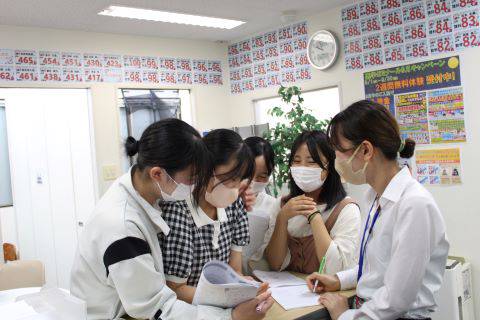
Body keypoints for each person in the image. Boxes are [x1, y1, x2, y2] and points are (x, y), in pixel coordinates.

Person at [70, 119, 273, 320]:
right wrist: (231, 317)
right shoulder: (121, 226)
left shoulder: (143, 189)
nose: (198, 185)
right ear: (158, 174)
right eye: (193, 178)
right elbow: (158, 308)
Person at [306, 100, 449, 320]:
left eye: (339, 152)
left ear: (365, 150)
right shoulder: (375, 196)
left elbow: (396, 299)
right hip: (372, 309)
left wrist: (344, 316)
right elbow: (379, 269)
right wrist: (339, 280)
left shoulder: (414, 205)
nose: (336, 161)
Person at [160, 129, 254, 303]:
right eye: (228, 178)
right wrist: (225, 298)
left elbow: (234, 272)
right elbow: (175, 289)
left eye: (238, 179)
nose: (234, 187)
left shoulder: (235, 205)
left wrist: (245, 289)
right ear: (205, 169)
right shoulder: (179, 211)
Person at [263, 130, 362, 274]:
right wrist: (282, 218)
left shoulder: (346, 209)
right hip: (288, 293)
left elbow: (336, 269)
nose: (302, 168)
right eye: (296, 161)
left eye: (311, 162)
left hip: (328, 295)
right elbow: (275, 264)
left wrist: (315, 218)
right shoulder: (281, 205)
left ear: (330, 167)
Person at [242, 136, 279, 272]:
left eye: (262, 177)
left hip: (260, 278)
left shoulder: (273, 206)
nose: (252, 181)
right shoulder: (223, 201)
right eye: (248, 174)